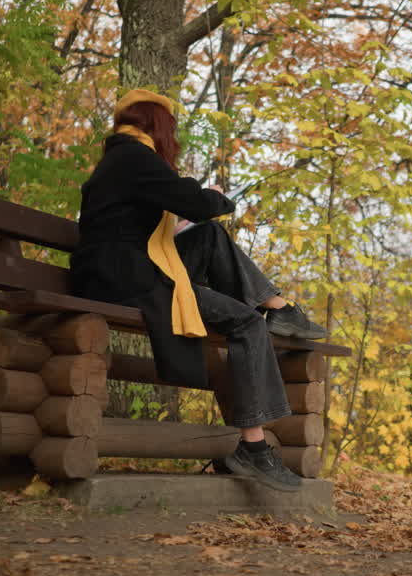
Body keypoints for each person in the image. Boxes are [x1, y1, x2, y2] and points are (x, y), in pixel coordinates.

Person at [68, 89, 327, 492]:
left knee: (208, 236)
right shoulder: (134, 157)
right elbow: (196, 203)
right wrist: (219, 197)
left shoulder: (120, 159)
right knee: (247, 323)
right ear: (157, 123)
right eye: (169, 127)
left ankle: (276, 306)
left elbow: (157, 222)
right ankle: (253, 447)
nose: (172, 136)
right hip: (127, 281)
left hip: (120, 271)